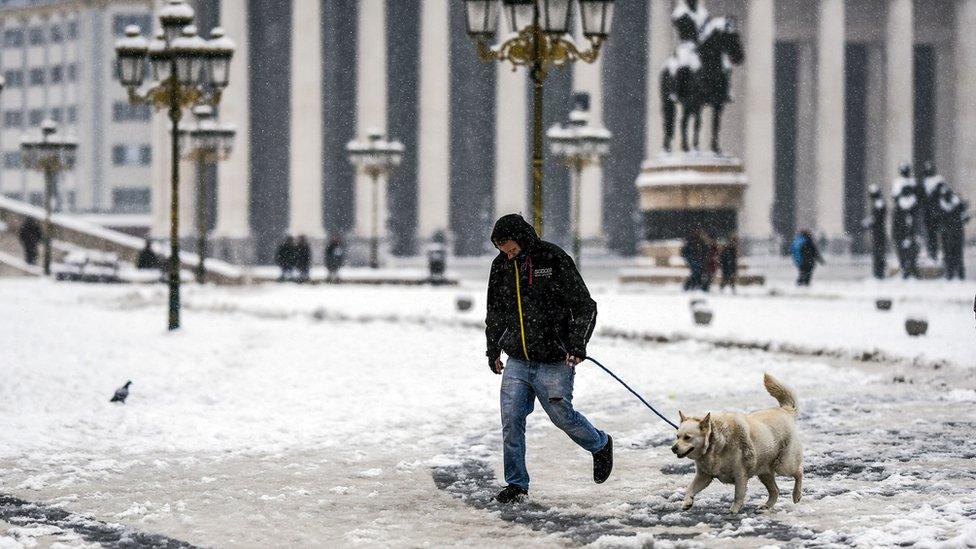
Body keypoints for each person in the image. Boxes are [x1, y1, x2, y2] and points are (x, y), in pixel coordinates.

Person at [485, 214, 612, 504]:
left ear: (522, 237)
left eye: (511, 248)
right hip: (517, 359)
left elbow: (585, 306)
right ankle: (516, 484)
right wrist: (493, 349)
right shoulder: (500, 266)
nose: (507, 254)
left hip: (554, 358)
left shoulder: (553, 258)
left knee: (562, 416)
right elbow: (495, 312)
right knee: (511, 421)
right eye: (502, 250)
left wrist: (578, 343)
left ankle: (600, 444)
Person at [892, 167, 921, 279]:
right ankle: (907, 269)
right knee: (904, 251)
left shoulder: (911, 206)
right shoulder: (902, 207)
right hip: (903, 232)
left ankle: (910, 269)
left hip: (908, 233)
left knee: (910, 251)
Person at [939, 189, 971, 280]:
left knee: (951, 253)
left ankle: (952, 273)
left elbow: (965, 218)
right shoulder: (957, 205)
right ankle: (957, 274)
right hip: (955, 233)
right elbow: (966, 218)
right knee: (956, 254)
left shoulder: (944, 206)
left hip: (950, 233)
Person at [861, 184, 888, 280]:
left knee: (879, 253)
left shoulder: (879, 204)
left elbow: (876, 219)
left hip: (879, 233)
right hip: (878, 232)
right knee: (878, 253)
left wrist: (867, 224)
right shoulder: (878, 203)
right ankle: (878, 272)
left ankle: (879, 273)